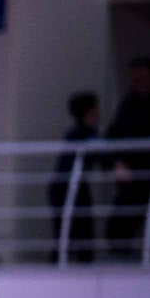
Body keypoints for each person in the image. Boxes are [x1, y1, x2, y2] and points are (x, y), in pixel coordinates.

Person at [104, 55, 150, 254]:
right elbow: (113, 136)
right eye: (134, 80)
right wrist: (117, 162)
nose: (137, 84)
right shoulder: (130, 102)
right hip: (135, 175)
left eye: (141, 79)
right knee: (118, 228)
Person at [47, 91, 99, 263]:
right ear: (89, 111)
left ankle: (74, 265)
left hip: (68, 187)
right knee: (70, 234)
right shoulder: (82, 134)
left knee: (72, 234)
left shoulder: (79, 134)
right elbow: (104, 154)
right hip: (67, 188)